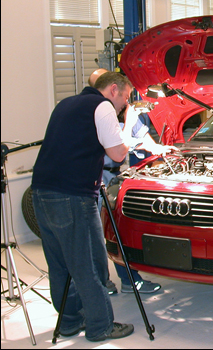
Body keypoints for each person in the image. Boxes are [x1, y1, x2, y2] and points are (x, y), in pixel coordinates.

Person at [31, 72, 136, 342]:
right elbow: (117, 153)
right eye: (125, 98)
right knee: (85, 262)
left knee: (58, 263)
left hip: (42, 192)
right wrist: (129, 127)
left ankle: (69, 322)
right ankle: (100, 326)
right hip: (73, 196)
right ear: (114, 89)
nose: (125, 104)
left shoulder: (66, 103)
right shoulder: (102, 107)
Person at [88, 69, 176, 295]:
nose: (124, 101)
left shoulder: (126, 110)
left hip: (115, 177)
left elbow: (144, 139)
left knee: (117, 232)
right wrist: (127, 123)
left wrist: (160, 149)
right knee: (96, 235)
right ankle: (101, 282)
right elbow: (118, 148)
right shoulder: (96, 111)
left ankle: (129, 280)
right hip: (94, 177)